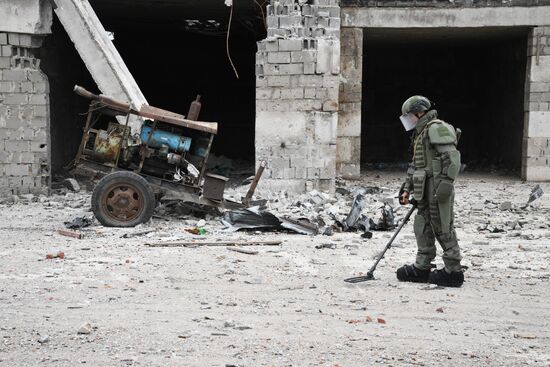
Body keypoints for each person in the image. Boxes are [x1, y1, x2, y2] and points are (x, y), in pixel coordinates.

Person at [396, 96, 464, 287]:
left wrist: (445, 186)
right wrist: (407, 188)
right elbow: (417, 164)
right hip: (423, 187)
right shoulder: (421, 132)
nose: (408, 120)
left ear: (420, 112)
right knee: (423, 224)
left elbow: (452, 158)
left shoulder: (436, 128)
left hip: (436, 186)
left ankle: (453, 270)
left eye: (410, 116)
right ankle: (422, 267)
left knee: (443, 226)